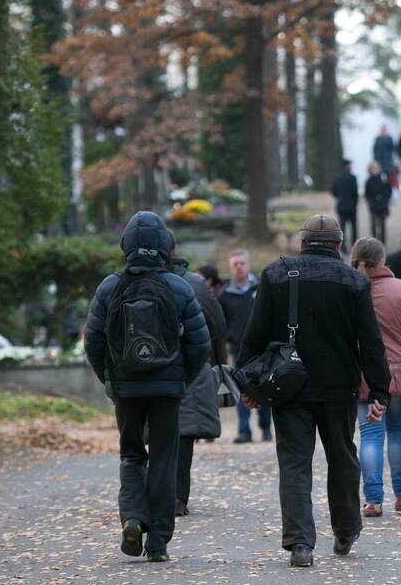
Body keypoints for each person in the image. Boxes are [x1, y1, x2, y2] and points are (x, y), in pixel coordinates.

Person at [237, 214, 391, 568]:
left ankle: (300, 543)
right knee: (342, 458)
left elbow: (254, 335)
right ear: (339, 245)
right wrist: (380, 391)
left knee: (293, 463)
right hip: (339, 386)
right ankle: (346, 529)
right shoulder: (354, 281)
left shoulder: (276, 275)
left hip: (288, 385)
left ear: (302, 243)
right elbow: (370, 342)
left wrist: (248, 385)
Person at [84, 211, 210, 562]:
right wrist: (181, 378)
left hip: (126, 388)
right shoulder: (179, 286)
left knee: (131, 454)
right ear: (164, 246)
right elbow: (200, 344)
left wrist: (109, 379)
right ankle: (158, 542)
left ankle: (133, 519)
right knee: (165, 459)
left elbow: (93, 341)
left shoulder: (111, 287)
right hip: (167, 389)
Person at [349, 237, 401, 517]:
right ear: (383, 260)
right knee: (399, 431)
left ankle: (373, 500)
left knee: (370, 435)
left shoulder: (350, 291)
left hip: (364, 375)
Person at [169, 239, 228, 517]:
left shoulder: (122, 281)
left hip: (140, 369)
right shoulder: (194, 283)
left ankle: (143, 497)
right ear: (174, 251)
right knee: (182, 434)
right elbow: (218, 324)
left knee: (150, 432)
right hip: (187, 367)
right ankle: (177, 497)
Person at [220, 250, 270, 443]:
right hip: (238, 348)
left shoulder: (263, 288)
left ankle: (266, 428)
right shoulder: (225, 295)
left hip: (263, 349)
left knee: (264, 388)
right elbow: (222, 322)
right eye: (235, 264)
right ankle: (244, 430)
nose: (239, 267)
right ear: (231, 267)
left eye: (242, 263)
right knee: (241, 389)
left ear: (248, 265)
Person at [331, 159, 359, 248]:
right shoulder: (353, 177)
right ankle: (354, 245)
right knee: (353, 227)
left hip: (341, 205)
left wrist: (340, 197)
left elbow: (333, 191)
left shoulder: (337, 177)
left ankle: (343, 247)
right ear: (347, 167)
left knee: (342, 227)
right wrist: (355, 202)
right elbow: (355, 192)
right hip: (351, 206)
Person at [364, 162, 392, 243]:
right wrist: (372, 202)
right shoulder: (368, 181)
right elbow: (367, 194)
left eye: (376, 169)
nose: (374, 171)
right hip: (373, 206)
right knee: (373, 225)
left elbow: (388, 192)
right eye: (373, 169)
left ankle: (382, 243)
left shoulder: (384, 179)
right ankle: (374, 242)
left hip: (383, 205)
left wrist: (385, 201)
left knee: (382, 226)